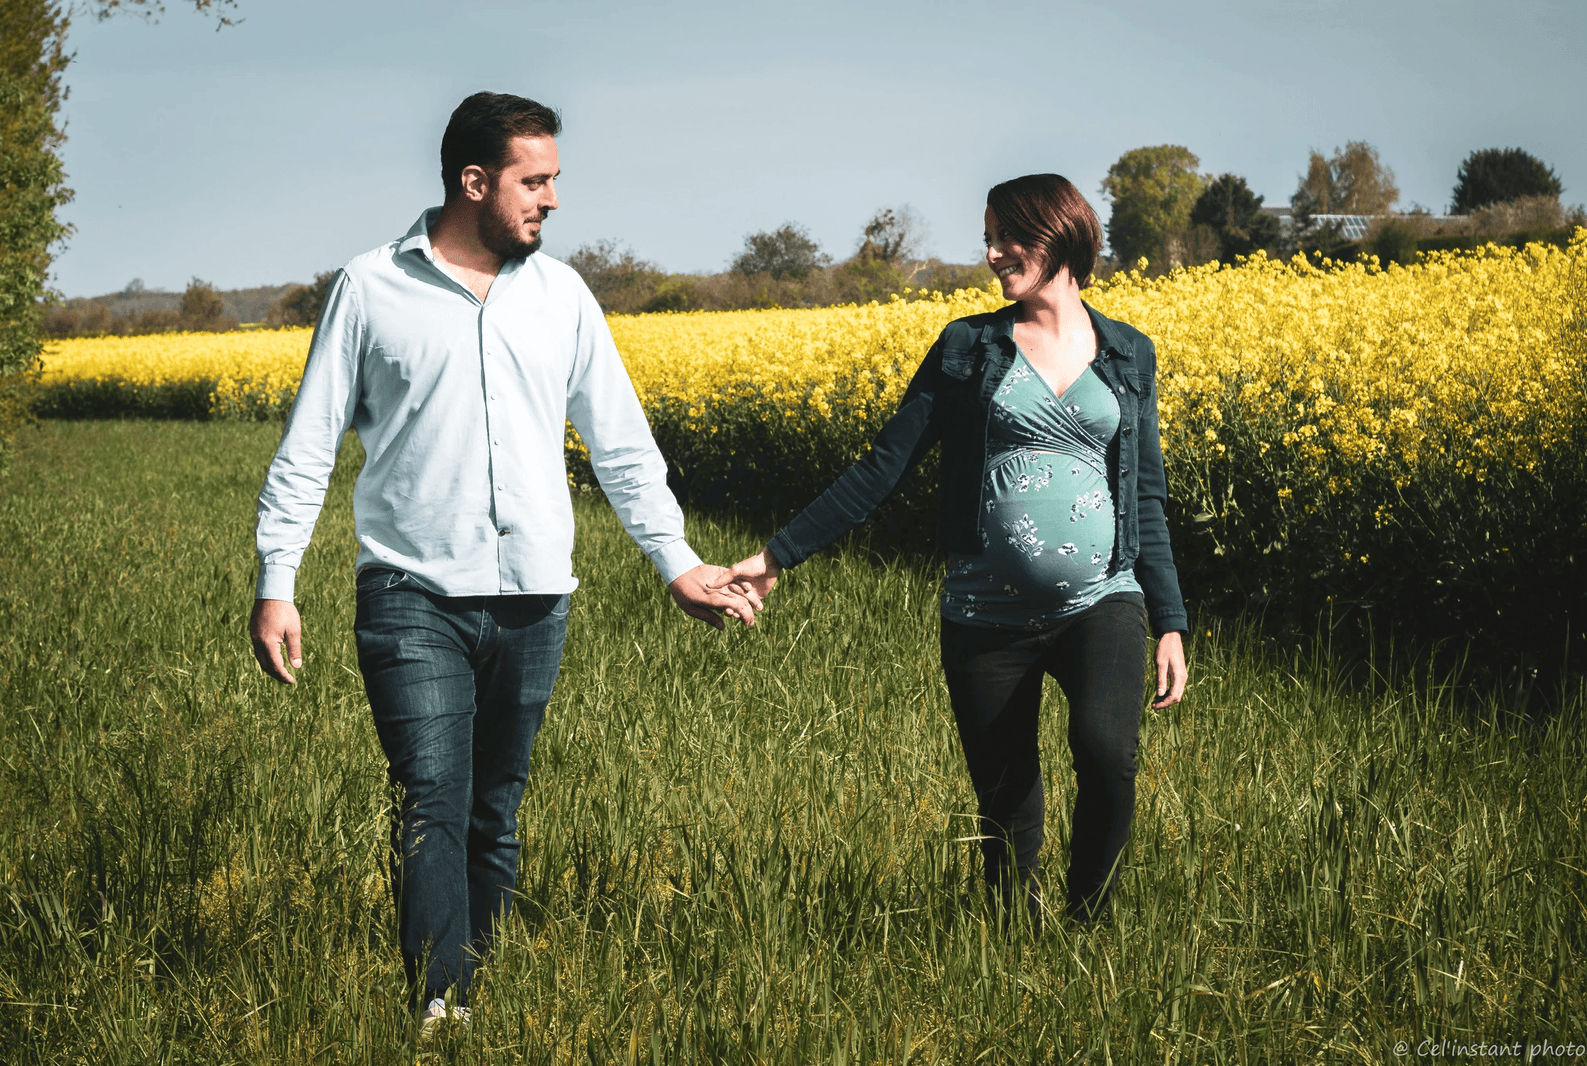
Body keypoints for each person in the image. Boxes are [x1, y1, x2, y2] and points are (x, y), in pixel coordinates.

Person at [247, 92, 760, 1028]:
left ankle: (470, 987)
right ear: (473, 181)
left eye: (555, 179)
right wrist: (276, 581)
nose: (553, 199)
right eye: (536, 180)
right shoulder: (370, 288)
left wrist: (675, 560)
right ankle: (438, 1004)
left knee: (495, 811)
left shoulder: (562, 296)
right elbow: (308, 445)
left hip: (535, 598)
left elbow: (623, 446)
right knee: (433, 795)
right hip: (411, 591)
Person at [714, 174, 1187, 925]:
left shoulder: (1129, 354)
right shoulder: (970, 348)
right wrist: (775, 558)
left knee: (1106, 755)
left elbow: (1147, 496)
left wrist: (1169, 619)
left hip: (1103, 599)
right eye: (991, 237)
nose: (994, 253)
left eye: (1011, 237)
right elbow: (883, 467)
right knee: (1006, 803)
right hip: (984, 612)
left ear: (1060, 234)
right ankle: (1010, 942)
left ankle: (1089, 927)